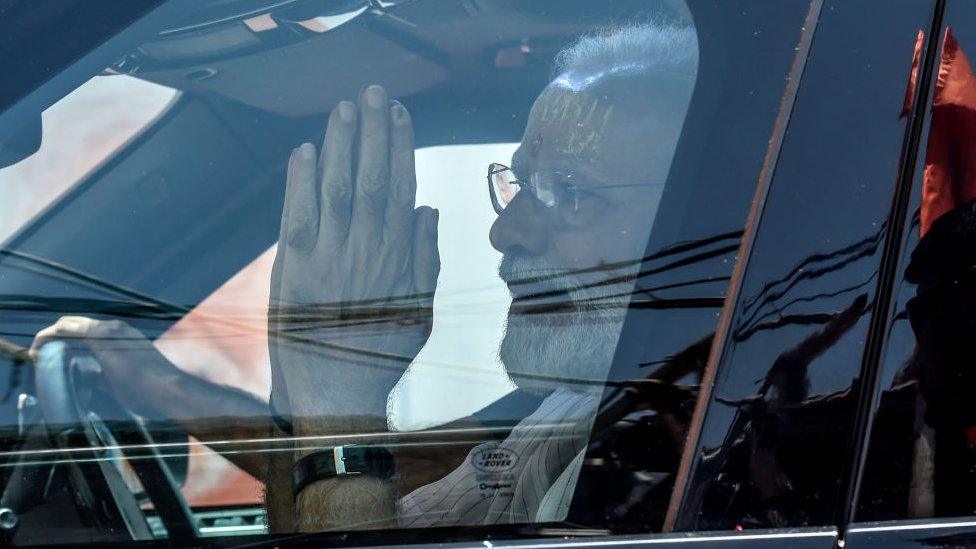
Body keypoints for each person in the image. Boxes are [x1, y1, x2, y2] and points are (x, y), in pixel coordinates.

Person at [29, 22, 700, 533]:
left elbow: (369, 486)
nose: (505, 230)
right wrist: (306, 350)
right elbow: (387, 503)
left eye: (573, 191)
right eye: (522, 183)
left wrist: (336, 384)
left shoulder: (680, 442)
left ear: (695, 206)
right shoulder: (573, 410)